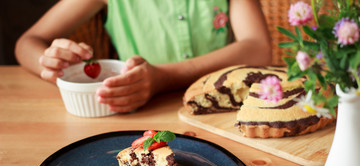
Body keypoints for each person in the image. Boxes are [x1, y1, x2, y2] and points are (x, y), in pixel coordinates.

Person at [15, 0, 272, 113]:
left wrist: (164, 77)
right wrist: (51, 65)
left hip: (223, 111)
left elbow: (258, 47)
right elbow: (26, 43)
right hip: (138, 116)